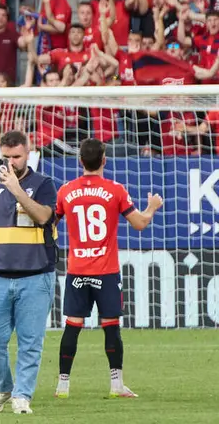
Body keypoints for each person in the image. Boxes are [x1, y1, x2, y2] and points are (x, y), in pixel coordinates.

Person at [53, 139, 163, 399]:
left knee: (72, 325)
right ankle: (116, 385)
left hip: (77, 270)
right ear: (104, 160)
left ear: (80, 161)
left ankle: (62, 386)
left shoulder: (66, 191)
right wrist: (152, 207)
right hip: (106, 271)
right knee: (111, 326)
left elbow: (51, 223)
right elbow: (139, 224)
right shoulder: (115, 190)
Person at [0, 130, 58, 415]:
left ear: (28, 154)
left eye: (16, 156)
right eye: (6, 157)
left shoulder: (43, 184)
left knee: (30, 341)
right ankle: (4, 386)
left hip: (36, 275)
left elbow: (44, 216)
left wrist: (17, 190)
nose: (11, 162)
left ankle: (22, 395)